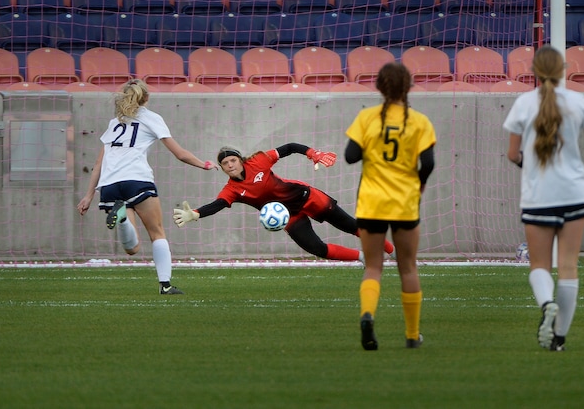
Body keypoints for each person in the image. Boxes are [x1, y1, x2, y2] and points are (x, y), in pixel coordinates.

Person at [503, 45, 584, 352]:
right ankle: (559, 338)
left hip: (539, 195)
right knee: (569, 265)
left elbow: (512, 154)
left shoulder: (523, 103)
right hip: (575, 192)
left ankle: (547, 303)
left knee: (539, 265)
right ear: (563, 70)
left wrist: (530, 166)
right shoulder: (578, 101)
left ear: (534, 71)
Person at [77, 79, 217, 295]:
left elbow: (98, 163)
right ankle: (165, 285)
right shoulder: (152, 118)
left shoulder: (115, 122)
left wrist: (88, 196)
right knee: (157, 233)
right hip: (136, 180)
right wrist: (204, 164)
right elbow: (179, 153)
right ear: (147, 98)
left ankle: (122, 217)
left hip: (109, 185)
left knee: (131, 248)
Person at [172, 143, 394, 262]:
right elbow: (218, 204)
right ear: (222, 168)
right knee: (316, 248)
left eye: (233, 160)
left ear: (240, 160)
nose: (230, 164)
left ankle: (392, 250)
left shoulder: (259, 161)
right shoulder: (232, 189)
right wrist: (196, 213)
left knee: (352, 226)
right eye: (225, 163)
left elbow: (289, 148)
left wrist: (312, 154)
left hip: (308, 198)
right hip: (289, 216)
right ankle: (363, 257)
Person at [345, 62, 436, 351]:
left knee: (373, 267)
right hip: (405, 203)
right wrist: (418, 184)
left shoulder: (367, 118)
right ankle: (412, 335)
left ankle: (367, 315)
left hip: (371, 202)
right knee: (407, 268)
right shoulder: (419, 121)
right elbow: (429, 163)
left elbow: (350, 156)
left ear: (379, 88)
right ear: (408, 87)